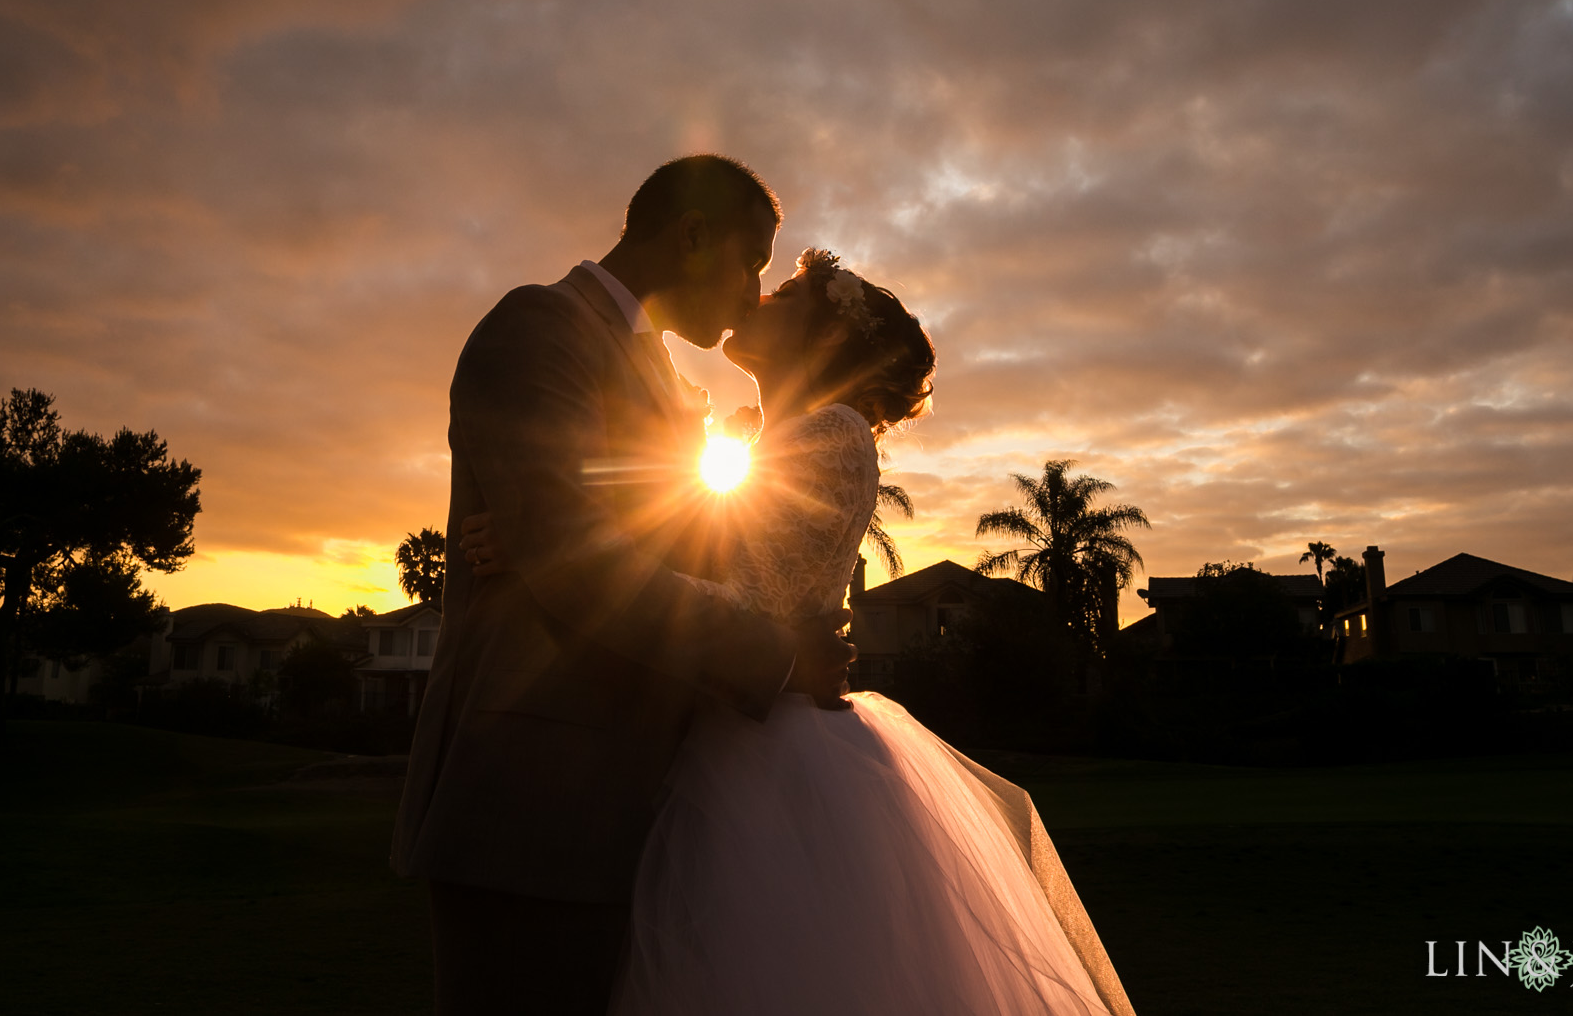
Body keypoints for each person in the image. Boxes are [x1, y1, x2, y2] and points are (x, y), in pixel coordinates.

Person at [471, 248, 1136, 1016]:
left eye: (783, 291)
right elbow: (682, 548)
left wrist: (549, 554)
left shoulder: (833, 437)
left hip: (767, 754)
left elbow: (747, 599)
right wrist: (551, 539)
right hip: (731, 719)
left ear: (825, 336)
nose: (756, 295)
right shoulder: (769, 438)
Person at [390, 155, 859, 1016]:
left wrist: (548, 540)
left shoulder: (671, 385)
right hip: (529, 805)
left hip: (627, 802)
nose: (756, 291)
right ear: (690, 237)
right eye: (751, 259)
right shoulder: (540, 326)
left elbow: (637, 539)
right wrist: (777, 656)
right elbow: (579, 556)